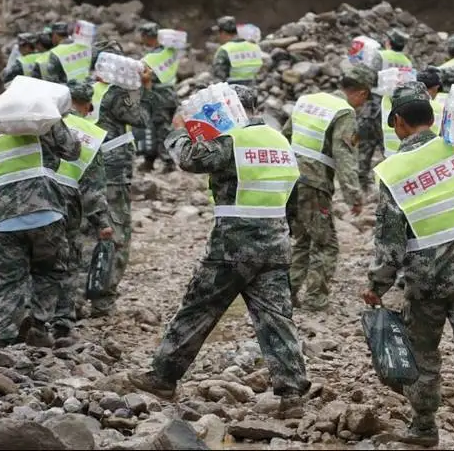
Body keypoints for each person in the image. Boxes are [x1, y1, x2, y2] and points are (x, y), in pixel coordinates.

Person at [129, 84, 311, 405]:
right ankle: (292, 392)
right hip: (277, 243)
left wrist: (177, 133)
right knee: (276, 319)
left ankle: (162, 377)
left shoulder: (232, 141)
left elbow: (188, 159)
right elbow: (293, 195)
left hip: (233, 246)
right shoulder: (280, 141)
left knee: (198, 309)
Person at [362, 82, 454, 450]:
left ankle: (424, 427)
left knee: (424, 357)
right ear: (432, 118)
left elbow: (390, 243)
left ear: (398, 122)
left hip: (424, 283)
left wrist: (376, 286)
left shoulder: (393, 170)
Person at [0, 110, 81, 348]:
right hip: (49, 214)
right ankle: (39, 324)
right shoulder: (44, 125)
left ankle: (1, 336)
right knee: (48, 271)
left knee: (6, 279)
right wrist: (56, 122)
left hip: (6, 220)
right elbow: (73, 152)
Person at [282, 67, 366, 310]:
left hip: (291, 179)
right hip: (314, 185)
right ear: (360, 93)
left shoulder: (307, 101)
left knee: (303, 238)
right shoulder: (343, 112)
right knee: (325, 243)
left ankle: (287, 293)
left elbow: (284, 136)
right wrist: (353, 195)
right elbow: (345, 155)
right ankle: (316, 298)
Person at [86, 45, 154, 316]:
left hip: (85, 170)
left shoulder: (86, 90)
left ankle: (78, 294)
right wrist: (145, 88)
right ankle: (103, 298)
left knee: (85, 230)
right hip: (112, 173)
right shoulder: (116, 94)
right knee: (116, 231)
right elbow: (142, 118)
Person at [51, 80, 112, 343]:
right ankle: (64, 320)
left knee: (37, 259)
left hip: (38, 197)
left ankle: (34, 313)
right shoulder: (91, 133)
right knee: (69, 260)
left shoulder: (44, 123)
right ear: (88, 105)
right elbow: (92, 187)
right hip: (69, 203)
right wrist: (102, 223)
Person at [138, 22, 179, 173]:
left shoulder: (150, 58)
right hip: (171, 94)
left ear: (147, 37)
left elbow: (145, 78)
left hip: (158, 97)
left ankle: (168, 162)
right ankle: (150, 160)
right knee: (161, 128)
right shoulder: (171, 52)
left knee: (159, 130)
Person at [352, 65, 382, 194]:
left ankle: (363, 188)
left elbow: (366, 117)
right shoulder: (379, 93)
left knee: (363, 160)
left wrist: (356, 133)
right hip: (377, 130)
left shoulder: (372, 96)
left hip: (372, 130)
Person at [211, 16, 263, 85]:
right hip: (257, 90)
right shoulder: (255, 47)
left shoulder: (225, 50)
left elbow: (219, 80)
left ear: (223, 33)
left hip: (234, 92)